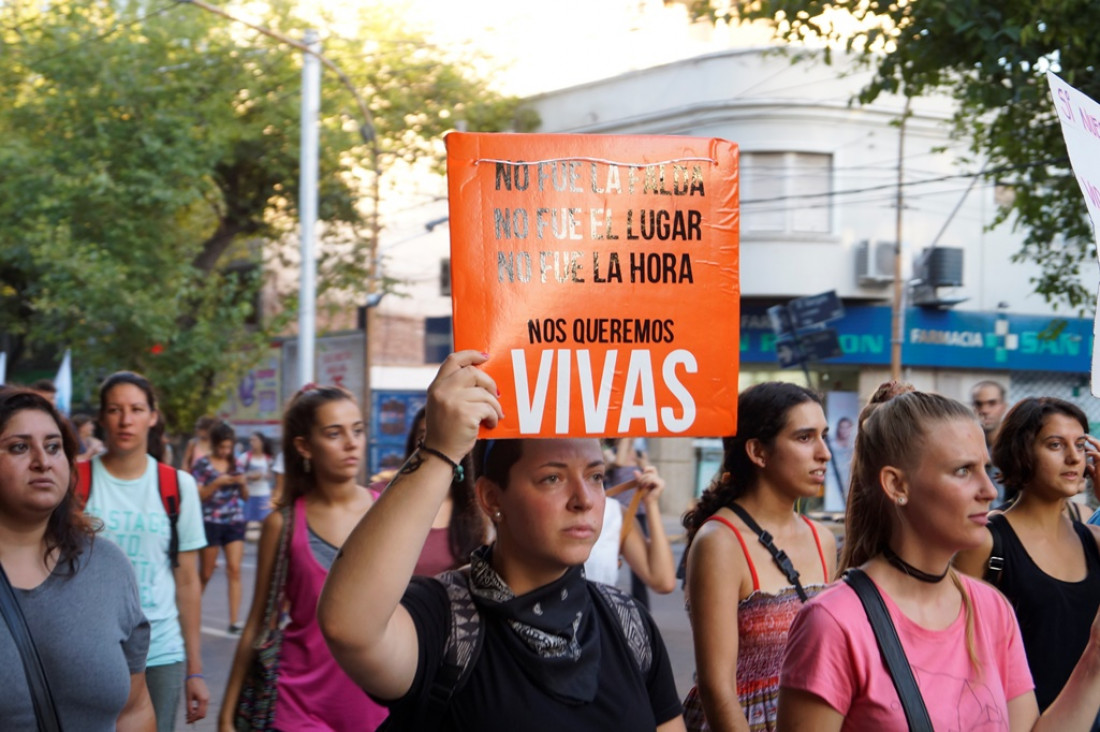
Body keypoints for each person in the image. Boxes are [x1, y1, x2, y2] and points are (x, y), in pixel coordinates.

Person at [318, 351, 685, 731]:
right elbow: (349, 626)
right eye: (552, 478)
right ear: (492, 498)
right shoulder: (444, 622)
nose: (584, 500)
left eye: (595, 476)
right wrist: (439, 452)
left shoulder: (629, 623)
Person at [777, 388, 1100, 730]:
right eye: (963, 471)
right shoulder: (834, 621)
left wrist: (1094, 657)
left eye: (984, 469)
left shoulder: (993, 609)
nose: (988, 491)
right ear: (897, 485)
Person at [220, 384, 388, 732]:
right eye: (333, 433)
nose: (351, 443)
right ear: (304, 446)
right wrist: (227, 712)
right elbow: (258, 621)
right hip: (297, 706)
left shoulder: (388, 512)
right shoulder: (282, 524)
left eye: (357, 430)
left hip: (378, 706)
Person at [680, 381, 837, 732]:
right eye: (804, 437)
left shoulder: (823, 539)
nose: (824, 452)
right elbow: (717, 688)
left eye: (823, 436)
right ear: (758, 452)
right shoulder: (720, 542)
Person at [0, 387, 155, 730]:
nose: (42, 460)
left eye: (53, 447)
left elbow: (134, 707)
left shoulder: (108, 566)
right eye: (19, 447)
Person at [955, 397, 1100, 718]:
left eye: (1080, 444)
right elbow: (960, 654)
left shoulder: (1092, 539)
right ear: (1022, 451)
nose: (1074, 457)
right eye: (1055, 445)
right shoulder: (987, 540)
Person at [83, 371, 209, 731]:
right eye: (115, 409)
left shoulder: (177, 486)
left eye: (136, 409)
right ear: (102, 417)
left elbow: (187, 582)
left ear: (152, 417)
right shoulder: (76, 481)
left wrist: (195, 670)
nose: (126, 420)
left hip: (160, 652)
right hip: (87, 649)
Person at [191, 420, 249, 634]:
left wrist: (242, 483)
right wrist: (217, 483)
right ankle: (190, 613)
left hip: (234, 520)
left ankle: (234, 622)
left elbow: (245, 497)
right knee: (205, 573)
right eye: (222, 447)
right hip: (210, 522)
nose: (226, 451)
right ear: (214, 444)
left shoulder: (237, 464)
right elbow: (198, 496)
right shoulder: (202, 465)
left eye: (229, 447)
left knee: (234, 570)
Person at [584, 464, 677, 594]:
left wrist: (651, 503)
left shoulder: (614, 514)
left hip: (596, 613)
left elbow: (663, 581)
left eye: (596, 476)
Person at [972, 379, 1010, 502]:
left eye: (992, 403)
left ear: (1003, 407)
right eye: (979, 404)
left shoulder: (1016, 449)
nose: (985, 410)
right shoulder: (967, 448)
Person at [239, 431, 275, 527]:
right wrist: (249, 476)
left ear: (262, 442)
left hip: (264, 494)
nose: (252, 442)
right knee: (245, 521)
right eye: (250, 440)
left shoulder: (268, 459)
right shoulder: (245, 457)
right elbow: (238, 475)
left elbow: (272, 477)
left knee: (265, 522)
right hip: (248, 494)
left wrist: (266, 475)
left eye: (255, 440)